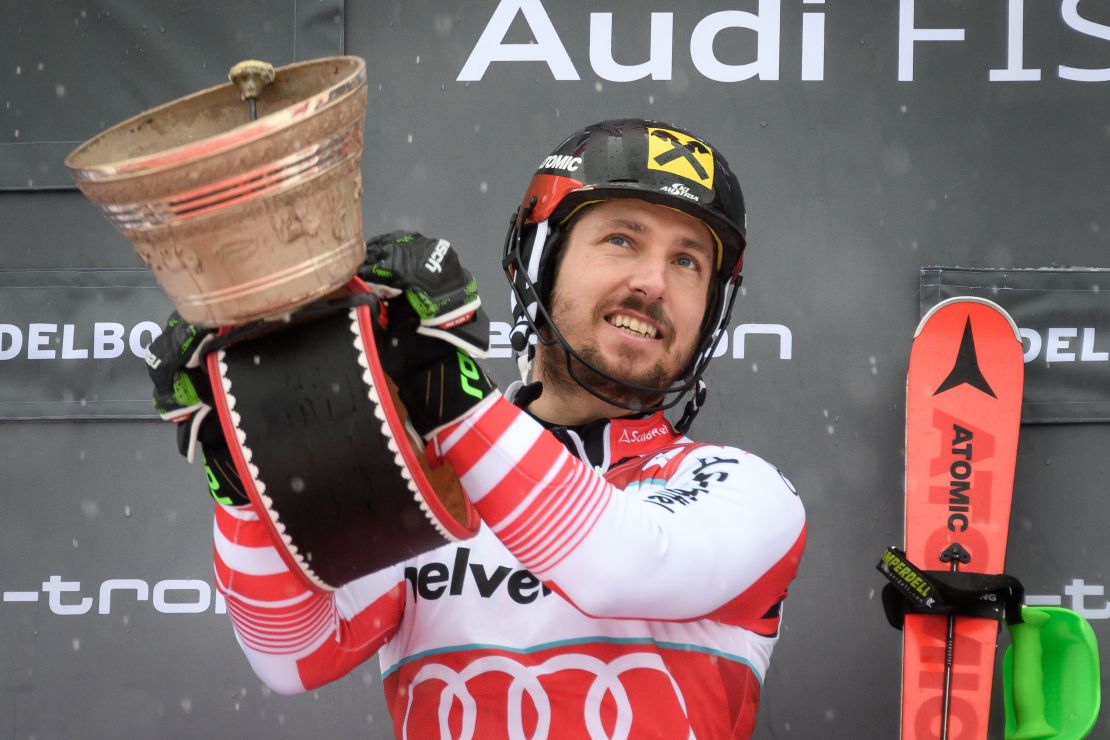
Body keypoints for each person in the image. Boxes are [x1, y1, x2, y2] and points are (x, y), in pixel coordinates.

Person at [147, 119, 806, 739]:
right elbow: (293, 658)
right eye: (622, 239)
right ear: (537, 261)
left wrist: (446, 394)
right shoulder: (423, 477)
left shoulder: (746, 490)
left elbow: (623, 568)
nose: (652, 282)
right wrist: (242, 474)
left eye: (688, 262)